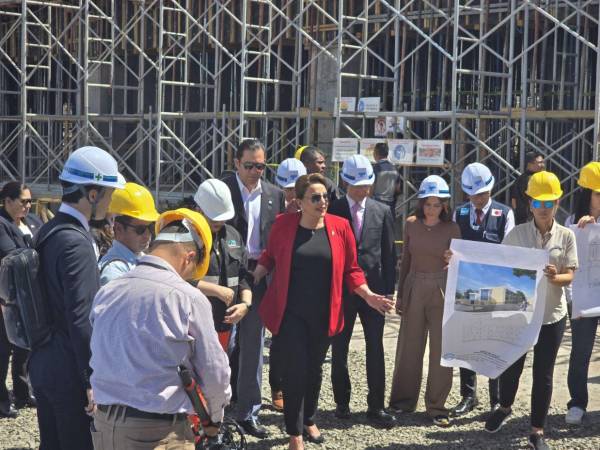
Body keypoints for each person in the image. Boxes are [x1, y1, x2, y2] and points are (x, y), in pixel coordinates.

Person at [253, 173, 395, 450]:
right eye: (315, 198)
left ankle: (309, 419)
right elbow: (270, 255)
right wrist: (257, 273)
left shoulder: (340, 227)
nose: (322, 202)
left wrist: (368, 295)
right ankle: (294, 432)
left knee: (314, 369)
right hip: (290, 312)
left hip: (324, 313)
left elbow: (352, 269)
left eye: (325, 197)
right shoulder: (283, 224)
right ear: (300, 202)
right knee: (295, 369)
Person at [90, 209, 231, 449]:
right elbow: (215, 373)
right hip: (157, 432)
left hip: (103, 426)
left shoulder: (108, 290)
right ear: (188, 258)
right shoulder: (188, 298)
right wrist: (214, 418)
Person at [28, 146, 125, 450]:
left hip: (44, 360)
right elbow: (81, 318)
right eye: (109, 194)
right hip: (68, 370)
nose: (110, 203)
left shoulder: (48, 230)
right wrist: (91, 379)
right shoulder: (76, 243)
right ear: (92, 194)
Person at [485, 171, 577, 450]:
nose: (544, 208)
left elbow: (570, 275)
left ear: (558, 203)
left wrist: (555, 277)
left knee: (544, 374)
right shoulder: (516, 234)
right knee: (512, 366)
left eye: (549, 203)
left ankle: (537, 430)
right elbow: (499, 268)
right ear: (530, 204)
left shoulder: (566, 236)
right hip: (520, 315)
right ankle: (505, 406)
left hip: (551, 316)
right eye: (538, 203)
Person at [222, 139, 285, 438]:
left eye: (261, 166)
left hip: (258, 274)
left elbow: (276, 240)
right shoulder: (222, 189)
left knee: (253, 346)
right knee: (219, 342)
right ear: (236, 163)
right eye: (249, 165)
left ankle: (248, 412)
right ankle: (213, 411)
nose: (255, 172)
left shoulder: (274, 195)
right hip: (224, 274)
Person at [328, 155, 397, 428]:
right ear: (345, 182)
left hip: (375, 291)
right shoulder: (332, 209)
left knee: (375, 347)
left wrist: (389, 291)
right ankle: (341, 403)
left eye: (367, 185)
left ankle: (376, 406)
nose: (363, 190)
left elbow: (389, 254)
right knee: (339, 348)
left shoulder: (382, 211)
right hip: (341, 291)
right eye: (357, 186)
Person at [389, 175, 460, 428]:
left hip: (442, 287)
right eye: (428, 204)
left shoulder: (452, 229)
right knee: (409, 346)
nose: (431, 209)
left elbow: (459, 264)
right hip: (414, 284)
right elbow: (406, 261)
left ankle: (437, 406)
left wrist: (453, 258)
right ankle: (402, 401)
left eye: (437, 204)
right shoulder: (411, 224)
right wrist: (400, 294)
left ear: (444, 205)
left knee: (441, 349)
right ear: (421, 203)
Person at [451, 162, 515, 417]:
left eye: (482, 193)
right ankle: (468, 395)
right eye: (474, 194)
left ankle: (496, 398)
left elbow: (510, 251)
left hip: (495, 288)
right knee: (467, 340)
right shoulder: (459, 213)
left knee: (493, 342)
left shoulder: (505, 214)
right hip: (466, 287)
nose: (478, 199)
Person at [193, 179, 252, 353]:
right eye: (214, 217)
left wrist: (245, 305)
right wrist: (216, 290)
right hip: (195, 327)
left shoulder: (233, 235)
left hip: (226, 327)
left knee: (223, 367)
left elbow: (243, 277)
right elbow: (176, 280)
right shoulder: (187, 238)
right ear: (198, 210)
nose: (219, 222)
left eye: (223, 217)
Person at [563, 162, 600, 426]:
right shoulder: (571, 224)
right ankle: (577, 402)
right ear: (587, 194)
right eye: (598, 193)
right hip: (584, 298)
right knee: (580, 352)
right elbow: (568, 263)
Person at [0, 182, 41, 417]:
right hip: (6, 295)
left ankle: (23, 392)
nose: (28, 206)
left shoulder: (32, 221)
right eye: (23, 201)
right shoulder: (1, 224)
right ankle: (2, 401)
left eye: (29, 201)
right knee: (3, 349)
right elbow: (11, 255)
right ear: (7, 201)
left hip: (27, 295)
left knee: (24, 346)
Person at [98, 182, 159, 285]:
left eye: (151, 227)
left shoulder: (140, 258)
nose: (147, 235)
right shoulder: (114, 271)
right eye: (140, 229)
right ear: (119, 229)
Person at [510, 151, 545, 225]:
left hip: (522, 219)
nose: (543, 165)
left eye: (543, 162)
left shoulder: (520, 178)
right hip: (530, 220)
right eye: (540, 162)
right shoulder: (533, 180)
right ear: (529, 164)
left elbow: (513, 201)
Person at [371, 142, 401, 215]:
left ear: (376, 153)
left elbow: (371, 189)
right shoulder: (395, 169)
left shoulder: (375, 168)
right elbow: (397, 189)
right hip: (390, 206)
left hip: (377, 205)